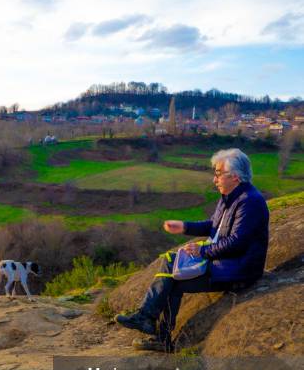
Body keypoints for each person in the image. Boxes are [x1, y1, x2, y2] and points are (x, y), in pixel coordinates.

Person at [115, 148, 269, 352]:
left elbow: (237, 242)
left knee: (175, 283)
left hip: (239, 269)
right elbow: (213, 225)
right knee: (170, 259)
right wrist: (185, 227)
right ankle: (146, 317)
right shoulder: (230, 197)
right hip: (224, 260)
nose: (215, 179)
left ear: (235, 176)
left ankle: (159, 334)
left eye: (218, 173)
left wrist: (203, 251)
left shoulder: (250, 202)